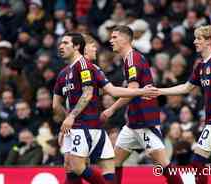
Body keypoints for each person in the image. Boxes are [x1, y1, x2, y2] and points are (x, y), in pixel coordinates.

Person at [53, 32, 159, 184]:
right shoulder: (69, 72)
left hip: (84, 127)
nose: (61, 46)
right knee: (86, 168)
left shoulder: (83, 67)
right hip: (83, 127)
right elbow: (56, 105)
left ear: (77, 47)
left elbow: (101, 92)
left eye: (65, 43)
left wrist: (141, 91)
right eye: (93, 47)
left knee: (76, 167)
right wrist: (67, 125)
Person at [151, 25, 211, 184]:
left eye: (199, 39)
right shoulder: (201, 65)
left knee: (197, 162)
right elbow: (186, 87)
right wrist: (160, 91)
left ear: (209, 41)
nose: (195, 42)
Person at [100, 25, 184, 184]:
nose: (111, 41)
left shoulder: (132, 59)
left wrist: (111, 109)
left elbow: (133, 90)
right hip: (133, 122)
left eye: (114, 37)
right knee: (113, 162)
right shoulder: (129, 59)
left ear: (125, 39)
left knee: (164, 164)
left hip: (145, 121)